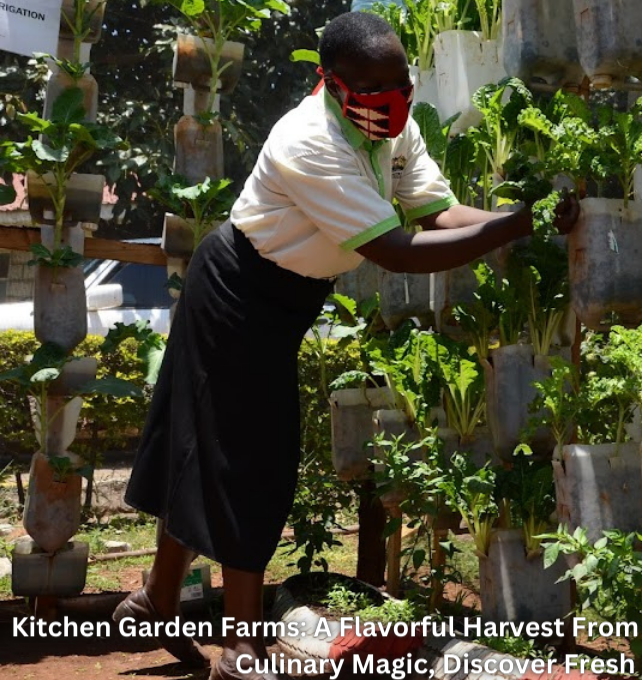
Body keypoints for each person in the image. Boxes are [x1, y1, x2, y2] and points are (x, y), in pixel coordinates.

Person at [113, 11, 579, 680]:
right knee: (249, 463)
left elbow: (437, 213)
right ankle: (241, 646)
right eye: (371, 89)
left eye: (400, 85)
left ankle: (158, 599)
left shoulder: (394, 127)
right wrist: (516, 228)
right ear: (329, 82)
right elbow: (396, 251)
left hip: (283, 301)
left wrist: (521, 224)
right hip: (236, 293)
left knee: (212, 451)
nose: (390, 102)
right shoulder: (307, 139)